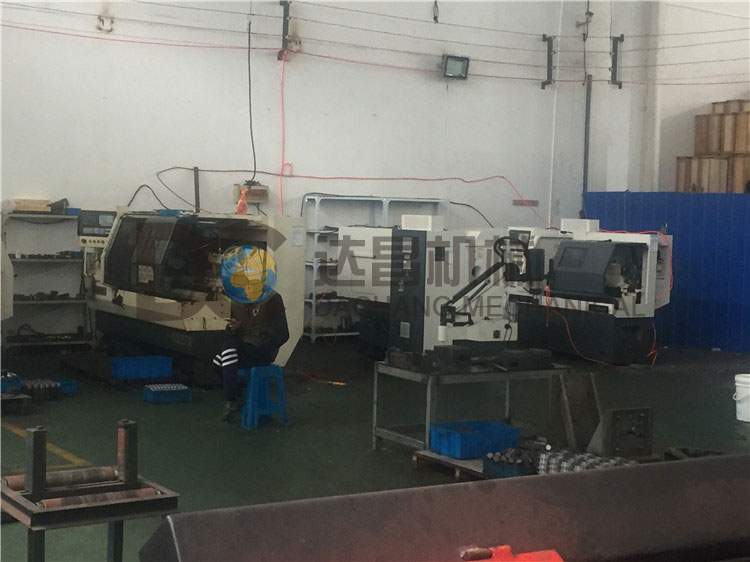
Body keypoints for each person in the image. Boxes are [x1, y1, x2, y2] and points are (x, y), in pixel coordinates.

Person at [213, 291, 289, 422]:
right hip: (244, 346)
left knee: (228, 350)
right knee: (218, 361)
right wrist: (234, 329)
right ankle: (238, 393)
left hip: (263, 350)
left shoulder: (271, 299)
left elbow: (283, 334)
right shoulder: (237, 300)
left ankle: (233, 399)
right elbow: (237, 335)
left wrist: (261, 349)